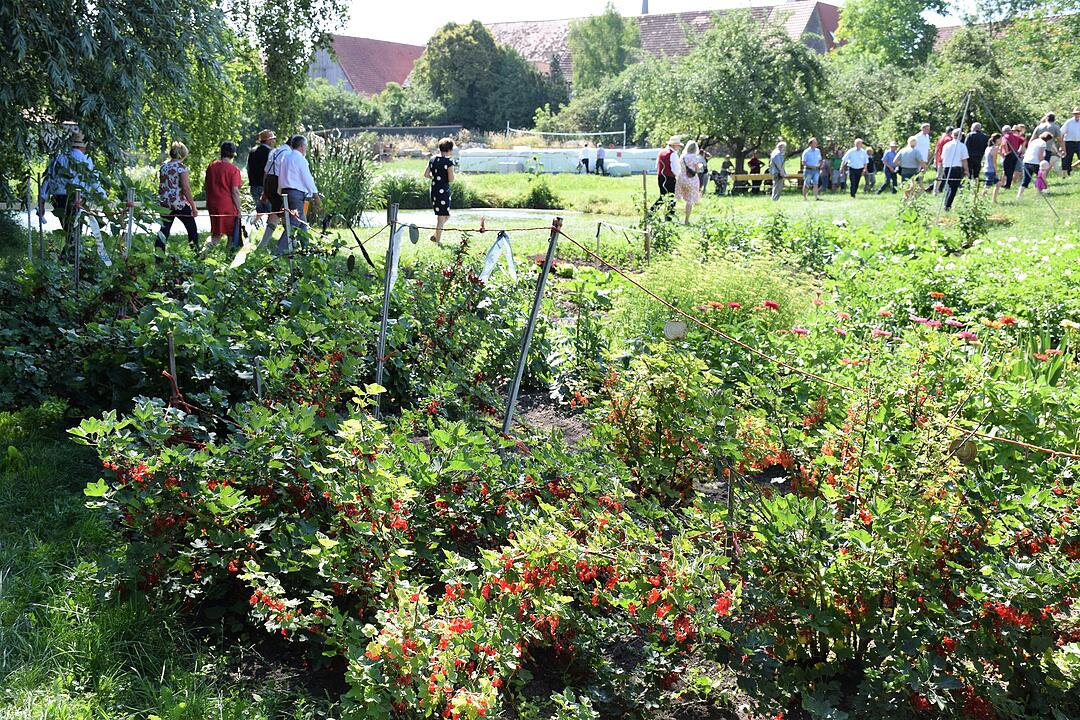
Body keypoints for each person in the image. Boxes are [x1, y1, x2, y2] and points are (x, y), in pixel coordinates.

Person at [37, 131, 105, 246]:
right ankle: (70, 256)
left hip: (59, 198)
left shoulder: (59, 157)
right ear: (83, 146)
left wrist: (42, 201)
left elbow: (48, 179)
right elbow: (93, 181)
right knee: (75, 230)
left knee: (68, 229)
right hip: (77, 198)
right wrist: (104, 196)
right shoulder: (86, 160)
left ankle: (69, 256)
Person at [275, 134, 322, 253]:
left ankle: (306, 248)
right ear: (302, 146)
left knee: (302, 222)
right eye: (305, 146)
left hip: (286, 192)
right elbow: (307, 178)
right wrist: (315, 195)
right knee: (294, 223)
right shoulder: (300, 159)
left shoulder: (285, 158)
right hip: (296, 194)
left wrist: (280, 192)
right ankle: (278, 251)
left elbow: (280, 177)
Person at [200, 141, 244, 257]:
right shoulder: (234, 170)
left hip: (213, 203)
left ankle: (203, 254)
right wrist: (239, 210)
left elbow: (206, 185)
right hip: (227, 205)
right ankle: (228, 259)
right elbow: (235, 191)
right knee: (231, 235)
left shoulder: (212, 166)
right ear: (233, 154)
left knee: (216, 233)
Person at [156, 141, 199, 255]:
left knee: (164, 230)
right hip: (178, 203)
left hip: (164, 203)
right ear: (182, 154)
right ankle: (195, 253)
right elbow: (185, 188)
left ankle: (158, 256)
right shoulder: (181, 168)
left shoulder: (163, 166)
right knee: (192, 229)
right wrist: (193, 207)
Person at [257, 141, 291, 251]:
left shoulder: (275, 151)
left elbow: (265, 172)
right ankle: (286, 244)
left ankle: (290, 242)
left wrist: (265, 191)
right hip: (278, 183)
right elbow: (285, 172)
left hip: (268, 182)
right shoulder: (288, 153)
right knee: (282, 213)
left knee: (279, 212)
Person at [424, 137, 455, 242]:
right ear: (450, 149)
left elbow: (426, 174)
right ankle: (438, 241)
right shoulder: (448, 161)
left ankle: (435, 235)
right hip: (443, 191)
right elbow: (451, 179)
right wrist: (443, 178)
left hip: (434, 190)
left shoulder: (432, 159)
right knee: (442, 217)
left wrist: (436, 178)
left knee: (445, 215)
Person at [939, 129, 969, 211]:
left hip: (947, 167)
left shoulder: (946, 145)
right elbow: (964, 160)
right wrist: (967, 170)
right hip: (956, 168)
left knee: (949, 186)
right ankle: (947, 205)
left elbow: (942, 157)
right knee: (954, 188)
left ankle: (946, 203)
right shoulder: (962, 146)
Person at [676, 140, 705, 224]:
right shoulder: (695, 157)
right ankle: (686, 219)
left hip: (681, 178)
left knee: (679, 197)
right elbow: (697, 169)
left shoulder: (682, 157)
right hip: (691, 179)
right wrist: (699, 166)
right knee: (690, 200)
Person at [652, 136, 682, 219]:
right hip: (669, 178)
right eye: (678, 145)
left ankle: (652, 212)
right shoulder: (673, 154)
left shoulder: (661, 152)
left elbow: (656, 165)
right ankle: (668, 216)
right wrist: (679, 177)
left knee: (663, 196)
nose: (679, 147)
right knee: (671, 197)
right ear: (674, 145)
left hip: (661, 177)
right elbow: (675, 169)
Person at [247, 129, 276, 214]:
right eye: (273, 139)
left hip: (254, 186)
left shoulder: (252, 152)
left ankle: (258, 226)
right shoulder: (270, 153)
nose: (274, 141)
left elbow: (248, 168)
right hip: (266, 188)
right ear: (268, 140)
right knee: (271, 212)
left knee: (260, 212)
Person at [1017, 131, 1052, 198]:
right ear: (1047, 139)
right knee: (1042, 177)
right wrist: (1043, 164)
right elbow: (1040, 154)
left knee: (1026, 179)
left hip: (1026, 161)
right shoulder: (1043, 143)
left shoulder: (1034, 141)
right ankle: (1043, 191)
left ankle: (1019, 195)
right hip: (1035, 162)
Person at [1001, 124, 1025, 189]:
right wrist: (1020, 149)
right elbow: (1023, 140)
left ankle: (1006, 184)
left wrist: (1006, 152)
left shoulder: (1005, 136)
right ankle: (1008, 185)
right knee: (1011, 170)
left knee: (1007, 170)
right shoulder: (1016, 136)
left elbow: (1004, 143)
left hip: (1009, 154)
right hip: (1015, 154)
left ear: (1004, 131)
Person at [932, 127, 954, 194]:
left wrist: (935, 159)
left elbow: (937, 149)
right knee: (947, 175)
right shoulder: (949, 139)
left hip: (940, 159)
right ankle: (946, 190)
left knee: (939, 175)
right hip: (946, 159)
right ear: (951, 132)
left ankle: (935, 190)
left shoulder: (941, 138)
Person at [984, 132, 1003, 203]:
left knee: (998, 184)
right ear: (997, 140)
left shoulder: (988, 148)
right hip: (991, 169)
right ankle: (982, 198)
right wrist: (996, 171)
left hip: (987, 168)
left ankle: (994, 200)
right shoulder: (995, 149)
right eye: (1000, 139)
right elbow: (994, 161)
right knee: (987, 185)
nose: (1001, 140)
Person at [1062, 108, 1080, 177]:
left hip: (1079, 143)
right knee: (1068, 159)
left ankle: (1073, 167)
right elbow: (1062, 132)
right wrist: (1062, 145)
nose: (1077, 115)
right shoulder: (1068, 122)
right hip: (1069, 143)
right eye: (1075, 113)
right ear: (1073, 114)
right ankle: (1067, 174)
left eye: (1078, 113)